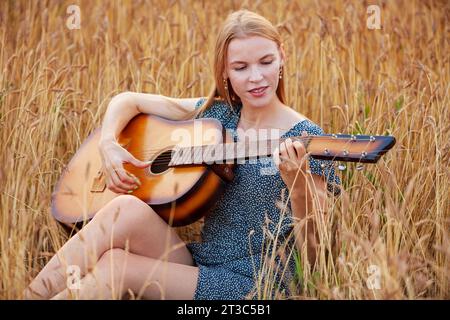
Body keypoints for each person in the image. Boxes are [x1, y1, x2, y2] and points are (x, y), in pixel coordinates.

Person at [24, 9, 340, 300]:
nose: (256, 77)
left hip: (259, 283)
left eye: (266, 62)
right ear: (225, 72)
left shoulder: (307, 138)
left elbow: (316, 255)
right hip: (202, 262)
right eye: (240, 67)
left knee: (117, 266)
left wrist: (298, 186)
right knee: (124, 209)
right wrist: (108, 143)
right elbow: (128, 101)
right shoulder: (218, 116)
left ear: (282, 56)